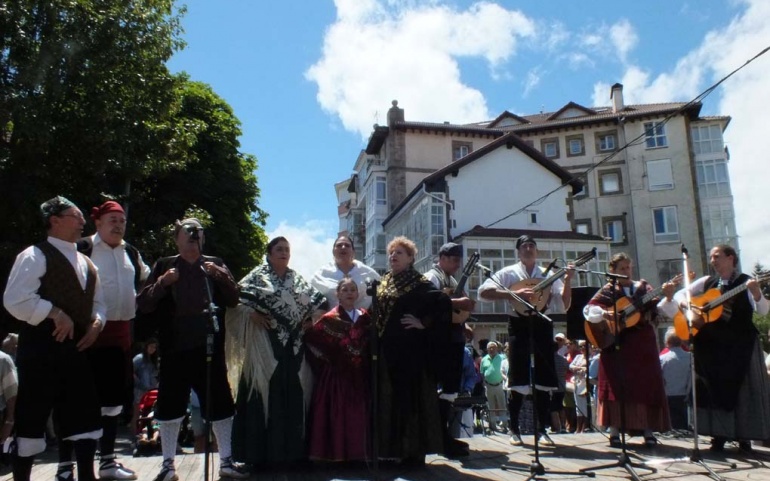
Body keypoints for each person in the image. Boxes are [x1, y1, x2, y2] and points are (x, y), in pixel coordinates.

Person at [3, 196, 106, 481]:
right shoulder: (34, 255)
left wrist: (97, 322)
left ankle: (87, 475)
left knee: (83, 414)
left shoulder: (87, 262)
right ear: (55, 220)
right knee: (32, 416)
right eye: (76, 216)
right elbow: (14, 299)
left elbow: (98, 302)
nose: (82, 221)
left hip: (76, 349)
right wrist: (53, 312)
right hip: (41, 348)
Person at [136, 218, 247, 481]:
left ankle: (226, 461)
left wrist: (219, 276)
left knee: (220, 403)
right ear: (176, 238)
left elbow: (233, 299)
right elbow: (144, 303)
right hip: (174, 346)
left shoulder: (215, 263)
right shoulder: (165, 265)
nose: (193, 235)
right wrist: (163, 283)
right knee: (170, 405)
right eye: (188, 231)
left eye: (198, 232)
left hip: (209, 345)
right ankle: (167, 464)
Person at [225, 236, 327, 466]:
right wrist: (250, 314)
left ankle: (293, 455)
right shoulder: (257, 277)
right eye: (279, 249)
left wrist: (311, 319)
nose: (284, 253)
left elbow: (317, 305)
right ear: (269, 253)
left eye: (287, 250)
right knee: (263, 398)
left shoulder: (297, 279)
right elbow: (235, 302)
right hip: (264, 348)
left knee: (294, 397)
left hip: (294, 349)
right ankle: (258, 457)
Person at [67, 200, 150, 480]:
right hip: (85, 334)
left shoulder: (132, 253)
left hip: (120, 335)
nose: (118, 225)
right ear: (98, 223)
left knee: (113, 402)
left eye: (122, 221)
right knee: (78, 400)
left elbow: (148, 284)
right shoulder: (82, 249)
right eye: (112, 220)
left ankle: (108, 462)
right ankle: (66, 467)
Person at [663, 244, 770, 452]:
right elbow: (678, 296)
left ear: (731, 258)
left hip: (740, 345)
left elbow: (763, 311)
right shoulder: (707, 282)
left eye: (717, 256)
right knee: (711, 389)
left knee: (742, 391)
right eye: (711, 257)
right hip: (712, 347)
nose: (713, 261)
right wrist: (687, 305)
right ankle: (718, 435)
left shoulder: (745, 282)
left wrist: (757, 293)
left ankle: (744, 437)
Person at [478, 235, 573, 447]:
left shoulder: (545, 275)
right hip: (518, 323)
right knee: (518, 376)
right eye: (524, 246)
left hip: (542, 322)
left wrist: (568, 280)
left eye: (532, 246)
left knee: (543, 378)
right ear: (518, 252)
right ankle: (514, 429)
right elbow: (483, 292)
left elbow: (564, 304)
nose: (528, 249)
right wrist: (513, 293)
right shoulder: (509, 272)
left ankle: (541, 430)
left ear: (537, 251)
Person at [374, 236, 453, 466]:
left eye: (399, 253)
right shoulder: (384, 281)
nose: (393, 256)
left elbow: (443, 304)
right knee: (390, 399)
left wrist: (424, 324)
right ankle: (390, 451)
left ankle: (413, 454)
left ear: (410, 258)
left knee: (411, 401)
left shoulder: (419, 283)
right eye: (391, 253)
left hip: (411, 353)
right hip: (387, 350)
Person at [584, 252, 672, 448]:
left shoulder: (643, 287)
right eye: (622, 268)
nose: (627, 271)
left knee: (645, 385)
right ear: (612, 271)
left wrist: (666, 294)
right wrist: (607, 313)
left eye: (628, 267)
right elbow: (589, 310)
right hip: (616, 345)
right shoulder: (608, 290)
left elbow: (658, 307)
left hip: (643, 344)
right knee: (616, 386)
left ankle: (648, 430)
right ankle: (614, 431)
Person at [304, 278, 371, 461]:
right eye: (345, 289)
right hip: (336, 377)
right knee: (336, 412)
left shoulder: (365, 317)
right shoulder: (328, 319)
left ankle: (358, 454)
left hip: (359, 376)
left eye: (352, 289)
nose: (349, 293)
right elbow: (311, 341)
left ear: (358, 294)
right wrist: (328, 361)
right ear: (338, 294)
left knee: (358, 414)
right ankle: (335, 454)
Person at [423, 242, 475, 457]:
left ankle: (444, 437)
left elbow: (455, 310)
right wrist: (459, 301)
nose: (457, 264)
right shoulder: (432, 277)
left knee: (450, 391)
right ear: (442, 257)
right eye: (453, 259)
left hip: (452, 339)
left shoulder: (452, 279)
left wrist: (465, 322)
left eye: (458, 260)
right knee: (442, 390)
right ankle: (437, 439)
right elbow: (429, 301)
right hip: (439, 342)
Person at [310, 235, 380, 309]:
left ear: (353, 251)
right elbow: (311, 301)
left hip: (362, 319)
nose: (343, 247)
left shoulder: (369, 274)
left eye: (347, 245)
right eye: (339, 245)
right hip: (329, 319)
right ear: (333, 251)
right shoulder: (320, 275)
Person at [658, 328, 691, 430]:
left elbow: (660, 378)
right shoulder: (690, 357)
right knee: (682, 421)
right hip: (684, 394)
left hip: (667, 394)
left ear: (667, 342)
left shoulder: (662, 358)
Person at [132, 338, 159, 435]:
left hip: (151, 391)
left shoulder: (153, 360)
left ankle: (147, 434)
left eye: (155, 347)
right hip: (139, 390)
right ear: (146, 346)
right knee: (136, 413)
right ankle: (135, 435)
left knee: (148, 413)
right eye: (151, 346)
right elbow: (131, 371)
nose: (153, 349)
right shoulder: (139, 358)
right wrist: (138, 382)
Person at [480, 341, 508, 432]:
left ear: (497, 349)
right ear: (487, 349)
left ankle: (504, 425)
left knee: (502, 406)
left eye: (493, 347)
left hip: (499, 385)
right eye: (490, 348)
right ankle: (493, 426)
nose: (491, 349)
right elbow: (482, 373)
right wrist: (484, 383)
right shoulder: (484, 359)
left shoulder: (502, 358)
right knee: (490, 407)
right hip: (488, 386)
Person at [569, 341, 589, 433]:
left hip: (586, 384)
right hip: (577, 383)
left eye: (584, 346)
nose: (582, 348)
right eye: (581, 347)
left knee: (584, 406)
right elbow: (570, 366)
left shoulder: (591, 357)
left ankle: (584, 428)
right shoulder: (578, 357)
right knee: (578, 406)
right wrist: (580, 368)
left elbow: (588, 369)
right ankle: (578, 428)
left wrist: (578, 368)